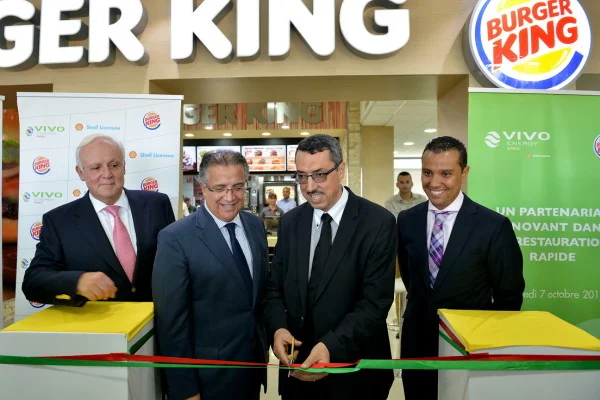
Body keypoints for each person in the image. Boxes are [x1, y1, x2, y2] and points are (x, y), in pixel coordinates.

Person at [264, 134, 397, 400]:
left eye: (319, 175)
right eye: (302, 176)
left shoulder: (377, 223)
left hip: (355, 374)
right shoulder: (291, 222)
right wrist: (278, 329)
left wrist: (331, 348)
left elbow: (374, 303)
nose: (310, 186)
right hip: (298, 371)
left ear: (341, 170)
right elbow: (274, 289)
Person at [397, 136, 525, 400]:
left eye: (446, 174)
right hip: (417, 344)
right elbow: (412, 279)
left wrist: (485, 341)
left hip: (468, 347)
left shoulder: (493, 226)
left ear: (464, 173)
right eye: (427, 173)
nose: (434, 183)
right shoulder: (407, 220)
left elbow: (509, 296)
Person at [153, 150, 269, 400]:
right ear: (203, 188)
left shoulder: (255, 226)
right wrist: (185, 389)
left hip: (252, 368)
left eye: (237, 187)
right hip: (207, 378)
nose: (230, 196)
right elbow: (172, 323)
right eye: (220, 188)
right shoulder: (175, 238)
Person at [22, 135, 176, 306]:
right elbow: (32, 282)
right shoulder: (58, 221)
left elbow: (176, 263)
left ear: (124, 167)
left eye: (114, 165)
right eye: (96, 168)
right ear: (81, 173)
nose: (107, 174)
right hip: (100, 321)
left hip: (158, 318)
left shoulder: (157, 205)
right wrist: (76, 282)